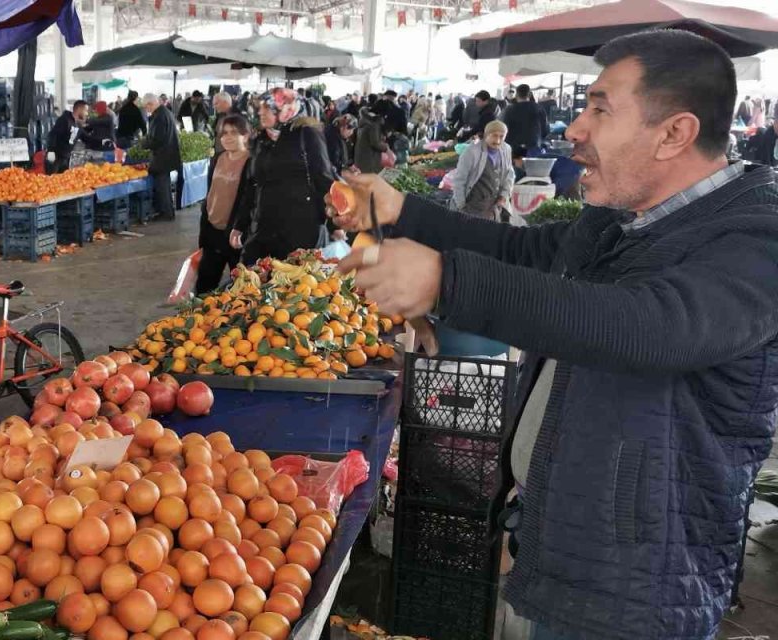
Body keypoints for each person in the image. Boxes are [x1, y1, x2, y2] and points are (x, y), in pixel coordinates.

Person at [328, 30, 778, 640]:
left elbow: (654, 325)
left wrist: (446, 281)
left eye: (600, 109)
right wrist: (402, 211)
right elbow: (524, 251)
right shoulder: (620, 219)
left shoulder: (755, 237)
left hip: (638, 587)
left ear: (675, 133)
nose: (575, 130)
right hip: (565, 542)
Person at [242, 89, 337, 265]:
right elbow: (252, 184)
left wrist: (335, 224)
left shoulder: (306, 134)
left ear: (286, 110)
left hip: (300, 227)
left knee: (294, 278)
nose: (260, 112)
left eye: (267, 108)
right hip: (264, 226)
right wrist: (239, 225)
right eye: (260, 108)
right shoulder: (261, 139)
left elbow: (323, 178)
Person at [196, 114, 255, 295]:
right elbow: (211, 192)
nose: (227, 137)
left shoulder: (252, 162)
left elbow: (249, 200)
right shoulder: (218, 158)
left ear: (245, 135)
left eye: (234, 133)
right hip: (213, 230)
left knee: (241, 287)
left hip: (236, 234)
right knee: (205, 284)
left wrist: (239, 228)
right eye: (224, 133)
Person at [449, 120, 514, 221]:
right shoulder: (471, 152)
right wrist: (461, 206)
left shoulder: (506, 149)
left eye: (501, 136)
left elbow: (509, 174)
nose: (497, 140)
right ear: (486, 135)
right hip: (472, 207)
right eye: (494, 135)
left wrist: (504, 196)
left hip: (493, 208)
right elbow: (459, 180)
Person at [142, 93, 181, 220]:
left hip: (162, 157)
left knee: (162, 186)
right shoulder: (165, 112)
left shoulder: (159, 116)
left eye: (146, 107)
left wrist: (144, 143)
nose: (146, 110)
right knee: (165, 185)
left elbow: (157, 139)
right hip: (167, 155)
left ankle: (166, 213)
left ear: (150, 104)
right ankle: (168, 211)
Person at [500, 84, 546, 157]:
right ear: (530, 94)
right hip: (533, 147)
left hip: (513, 149)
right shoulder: (539, 109)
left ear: (516, 95)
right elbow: (545, 130)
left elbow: (502, 128)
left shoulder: (509, 110)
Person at [47, 100, 87, 174]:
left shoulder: (78, 125)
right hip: (55, 156)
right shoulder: (64, 120)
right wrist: (51, 151)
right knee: (51, 178)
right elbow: (53, 135)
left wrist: (102, 142)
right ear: (79, 109)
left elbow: (87, 138)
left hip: (65, 158)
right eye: (85, 110)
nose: (86, 113)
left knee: (64, 179)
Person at [352, 108, 389, 175]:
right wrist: (386, 147)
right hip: (369, 158)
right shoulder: (373, 125)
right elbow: (375, 143)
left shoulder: (362, 123)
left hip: (360, 157)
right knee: (369, 177)